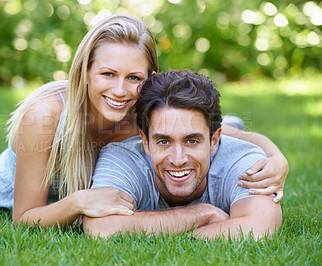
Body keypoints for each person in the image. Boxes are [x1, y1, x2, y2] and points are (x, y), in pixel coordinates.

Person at [0, 14, 287, 228]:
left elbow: (222, 134)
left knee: (204, 126)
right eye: (107, 74)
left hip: (108, 180)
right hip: (10, 190)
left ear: (150, 77)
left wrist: (277, 159)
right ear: (84, 72)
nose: (119, 90)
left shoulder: (139, 111)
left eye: (133, 77)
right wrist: (80, 201)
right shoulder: (45, 117)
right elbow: (25, 219)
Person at [83, 70, 282, 239]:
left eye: (192, 141)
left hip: (229, 142)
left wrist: (162, 228)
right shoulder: (121, 157)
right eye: (163, 142)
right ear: (145, 142)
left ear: (214, 141)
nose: (178, 159)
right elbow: (100, 228)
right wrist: (202, 214)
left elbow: (260, 226)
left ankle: (232, 124)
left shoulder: (243, 159)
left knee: (233, 129)